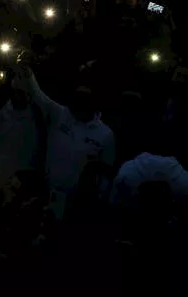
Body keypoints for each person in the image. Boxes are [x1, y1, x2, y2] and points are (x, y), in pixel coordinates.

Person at [14, 57, 116, 219]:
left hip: (79, 205)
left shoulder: (105, 134)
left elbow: (107, 173)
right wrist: (26, 71)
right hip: (47, 194)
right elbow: (37, 94)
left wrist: (99, 201)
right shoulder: (60, 114)